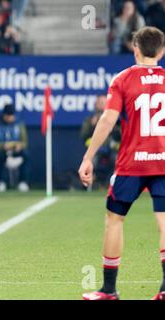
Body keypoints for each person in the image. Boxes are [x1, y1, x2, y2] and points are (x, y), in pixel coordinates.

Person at [79, 26, 165, 300]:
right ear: (162, 52)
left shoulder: (123, 79)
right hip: (164, 162)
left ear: (135, 48)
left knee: (114, 220)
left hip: (132, 164)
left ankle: (109, 289)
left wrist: (88, 156)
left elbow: (107, 120)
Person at [0, 104, 29, 192]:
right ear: (4, 115)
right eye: (8, 116)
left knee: (26, 154)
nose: (10, 118)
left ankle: (22, 182)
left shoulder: (19, 124)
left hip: (15, 150)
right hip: (0, 150)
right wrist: (2, 146)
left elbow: (24, 142)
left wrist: (18, 145)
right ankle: (1, 181)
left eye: (12, 116)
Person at [80, 94, 120, 187]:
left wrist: (112, 126)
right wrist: (92, 125)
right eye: (100, 103)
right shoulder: (89, 120)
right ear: (96, 104)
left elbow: (120, 135)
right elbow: (83, 135)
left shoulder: (115, 120)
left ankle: (113, 184)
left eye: (104, 103)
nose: (102, 105)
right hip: (96, 150)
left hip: (112, 149)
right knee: (91, 161)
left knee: (117, 159)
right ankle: (87, 184)